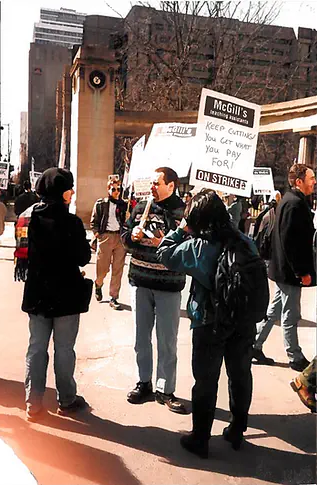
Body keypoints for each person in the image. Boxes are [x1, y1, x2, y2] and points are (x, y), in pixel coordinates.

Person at [157, 189, 259, 458]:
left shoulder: (198, 247)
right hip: (243, 321)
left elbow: (165, 254)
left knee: (205, 380)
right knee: (240, 374)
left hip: (209, 321)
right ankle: (237, 429)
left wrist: (181, 229)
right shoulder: (245, 242)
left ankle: (200, 438)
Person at [22, 168, 92, 422]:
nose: (72, 193)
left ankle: (34, 403)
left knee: (36, 349)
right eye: (70, 188)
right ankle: (66, 400)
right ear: (62, 191)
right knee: (64, 349)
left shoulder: (31, 218)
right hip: (66, 294)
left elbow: (25, 254)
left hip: (38, 293)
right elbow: (83, 257)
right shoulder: (71, 222)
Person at [122, 167, 187, 414]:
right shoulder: (140, 207)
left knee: (167, 340)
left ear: (171, 186)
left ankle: (166, 389)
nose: (152, 187)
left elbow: (190, 245)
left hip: (168, 285)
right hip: (140, 280)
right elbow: (124, 236)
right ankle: (144, 382)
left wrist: (167, 242)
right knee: (141, 338)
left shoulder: (183, 212)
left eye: (157, 183)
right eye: (151, 182)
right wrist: (132, 237)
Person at [253, 164, 316, 370]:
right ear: (299, 181)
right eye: (311, 178)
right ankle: (294, 356)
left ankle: (254, 344)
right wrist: (302, 272)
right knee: (290, 315)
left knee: (274, 311)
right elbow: (290, 242)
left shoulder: (292, 201)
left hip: (283, 269)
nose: (314, 181)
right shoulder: (294, 203)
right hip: (290, 272)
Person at [90, 175, 127, 310]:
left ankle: (114, 297)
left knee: (118, 269)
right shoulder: (101, 204)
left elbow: (127, 222)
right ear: (108, 189)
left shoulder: (124, 205)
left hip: (119, 238)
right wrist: (97, 235)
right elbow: (93, 222)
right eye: (113, 189)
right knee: (103, 268)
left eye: (118, 189)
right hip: (105, 237)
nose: (116, 192)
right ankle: (98, 284)